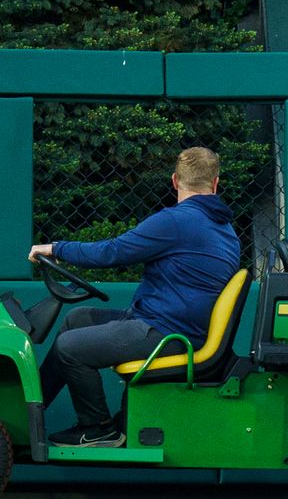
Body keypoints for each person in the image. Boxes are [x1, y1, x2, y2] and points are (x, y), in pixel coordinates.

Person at [29, 147, 239, 448]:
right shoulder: (224, 228)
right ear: (216, 184)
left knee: (69, 347)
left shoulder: (178, 222)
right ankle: (30, 414)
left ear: (175, 181)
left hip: (167, 333)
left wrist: (55, 248)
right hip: (170, 324)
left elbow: (112, 252)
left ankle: (97, 428)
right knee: (77, 318)